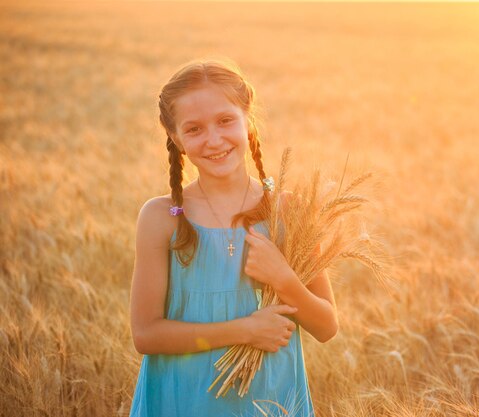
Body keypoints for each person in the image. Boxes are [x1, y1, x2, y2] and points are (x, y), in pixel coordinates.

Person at [128, 58, 339, 417]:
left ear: (248, 122)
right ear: (176, 139)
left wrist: (284, 279)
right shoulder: (162, 217)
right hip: (184, 399)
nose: (214, 140)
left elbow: (326, 325)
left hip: (270, 399)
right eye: (193, 129)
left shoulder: (287, 211)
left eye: (225, 120)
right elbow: (146, 334)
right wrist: (246, 330)